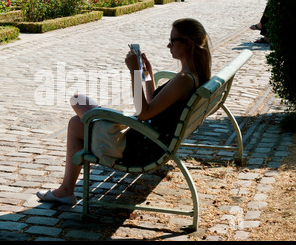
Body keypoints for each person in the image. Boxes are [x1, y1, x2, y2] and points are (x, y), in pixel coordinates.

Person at [36, 18, 212, 205]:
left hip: (138, 145)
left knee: (77, 107)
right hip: (148, 136)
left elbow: (144, 113)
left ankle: (65, 191)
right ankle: (65, 191)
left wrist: (134, 73)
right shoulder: (192, 76)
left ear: (187, 43)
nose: (168, 45)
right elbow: (153, 106)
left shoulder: (184, 79)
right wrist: (148, 75)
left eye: (172, 40)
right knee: (79, 112)